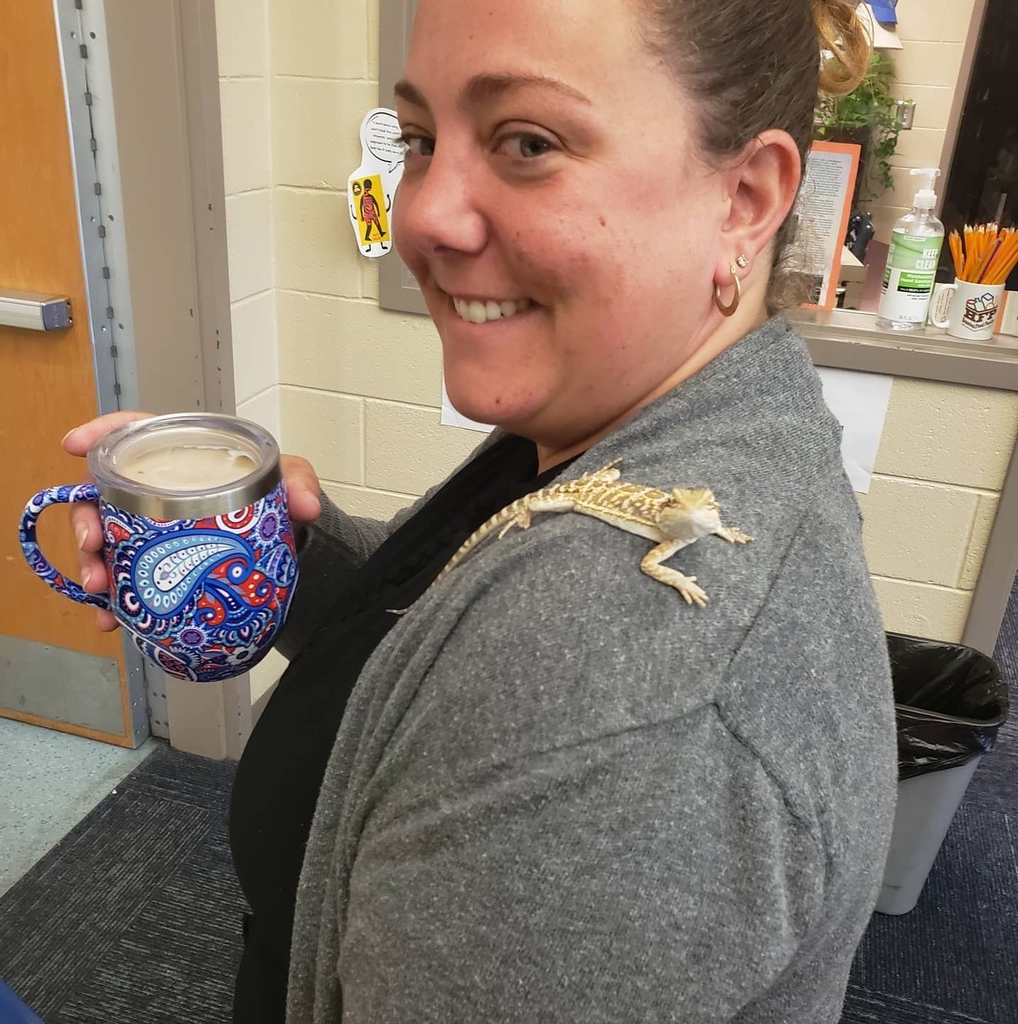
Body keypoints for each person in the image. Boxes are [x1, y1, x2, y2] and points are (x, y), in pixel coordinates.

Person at [64, 0, 898, 1020]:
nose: (423, 215)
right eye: (421, 140)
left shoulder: (615, 702)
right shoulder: (627, 430)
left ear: (745, 198)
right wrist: (269, 547)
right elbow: (451, 607)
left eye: (528, 143)